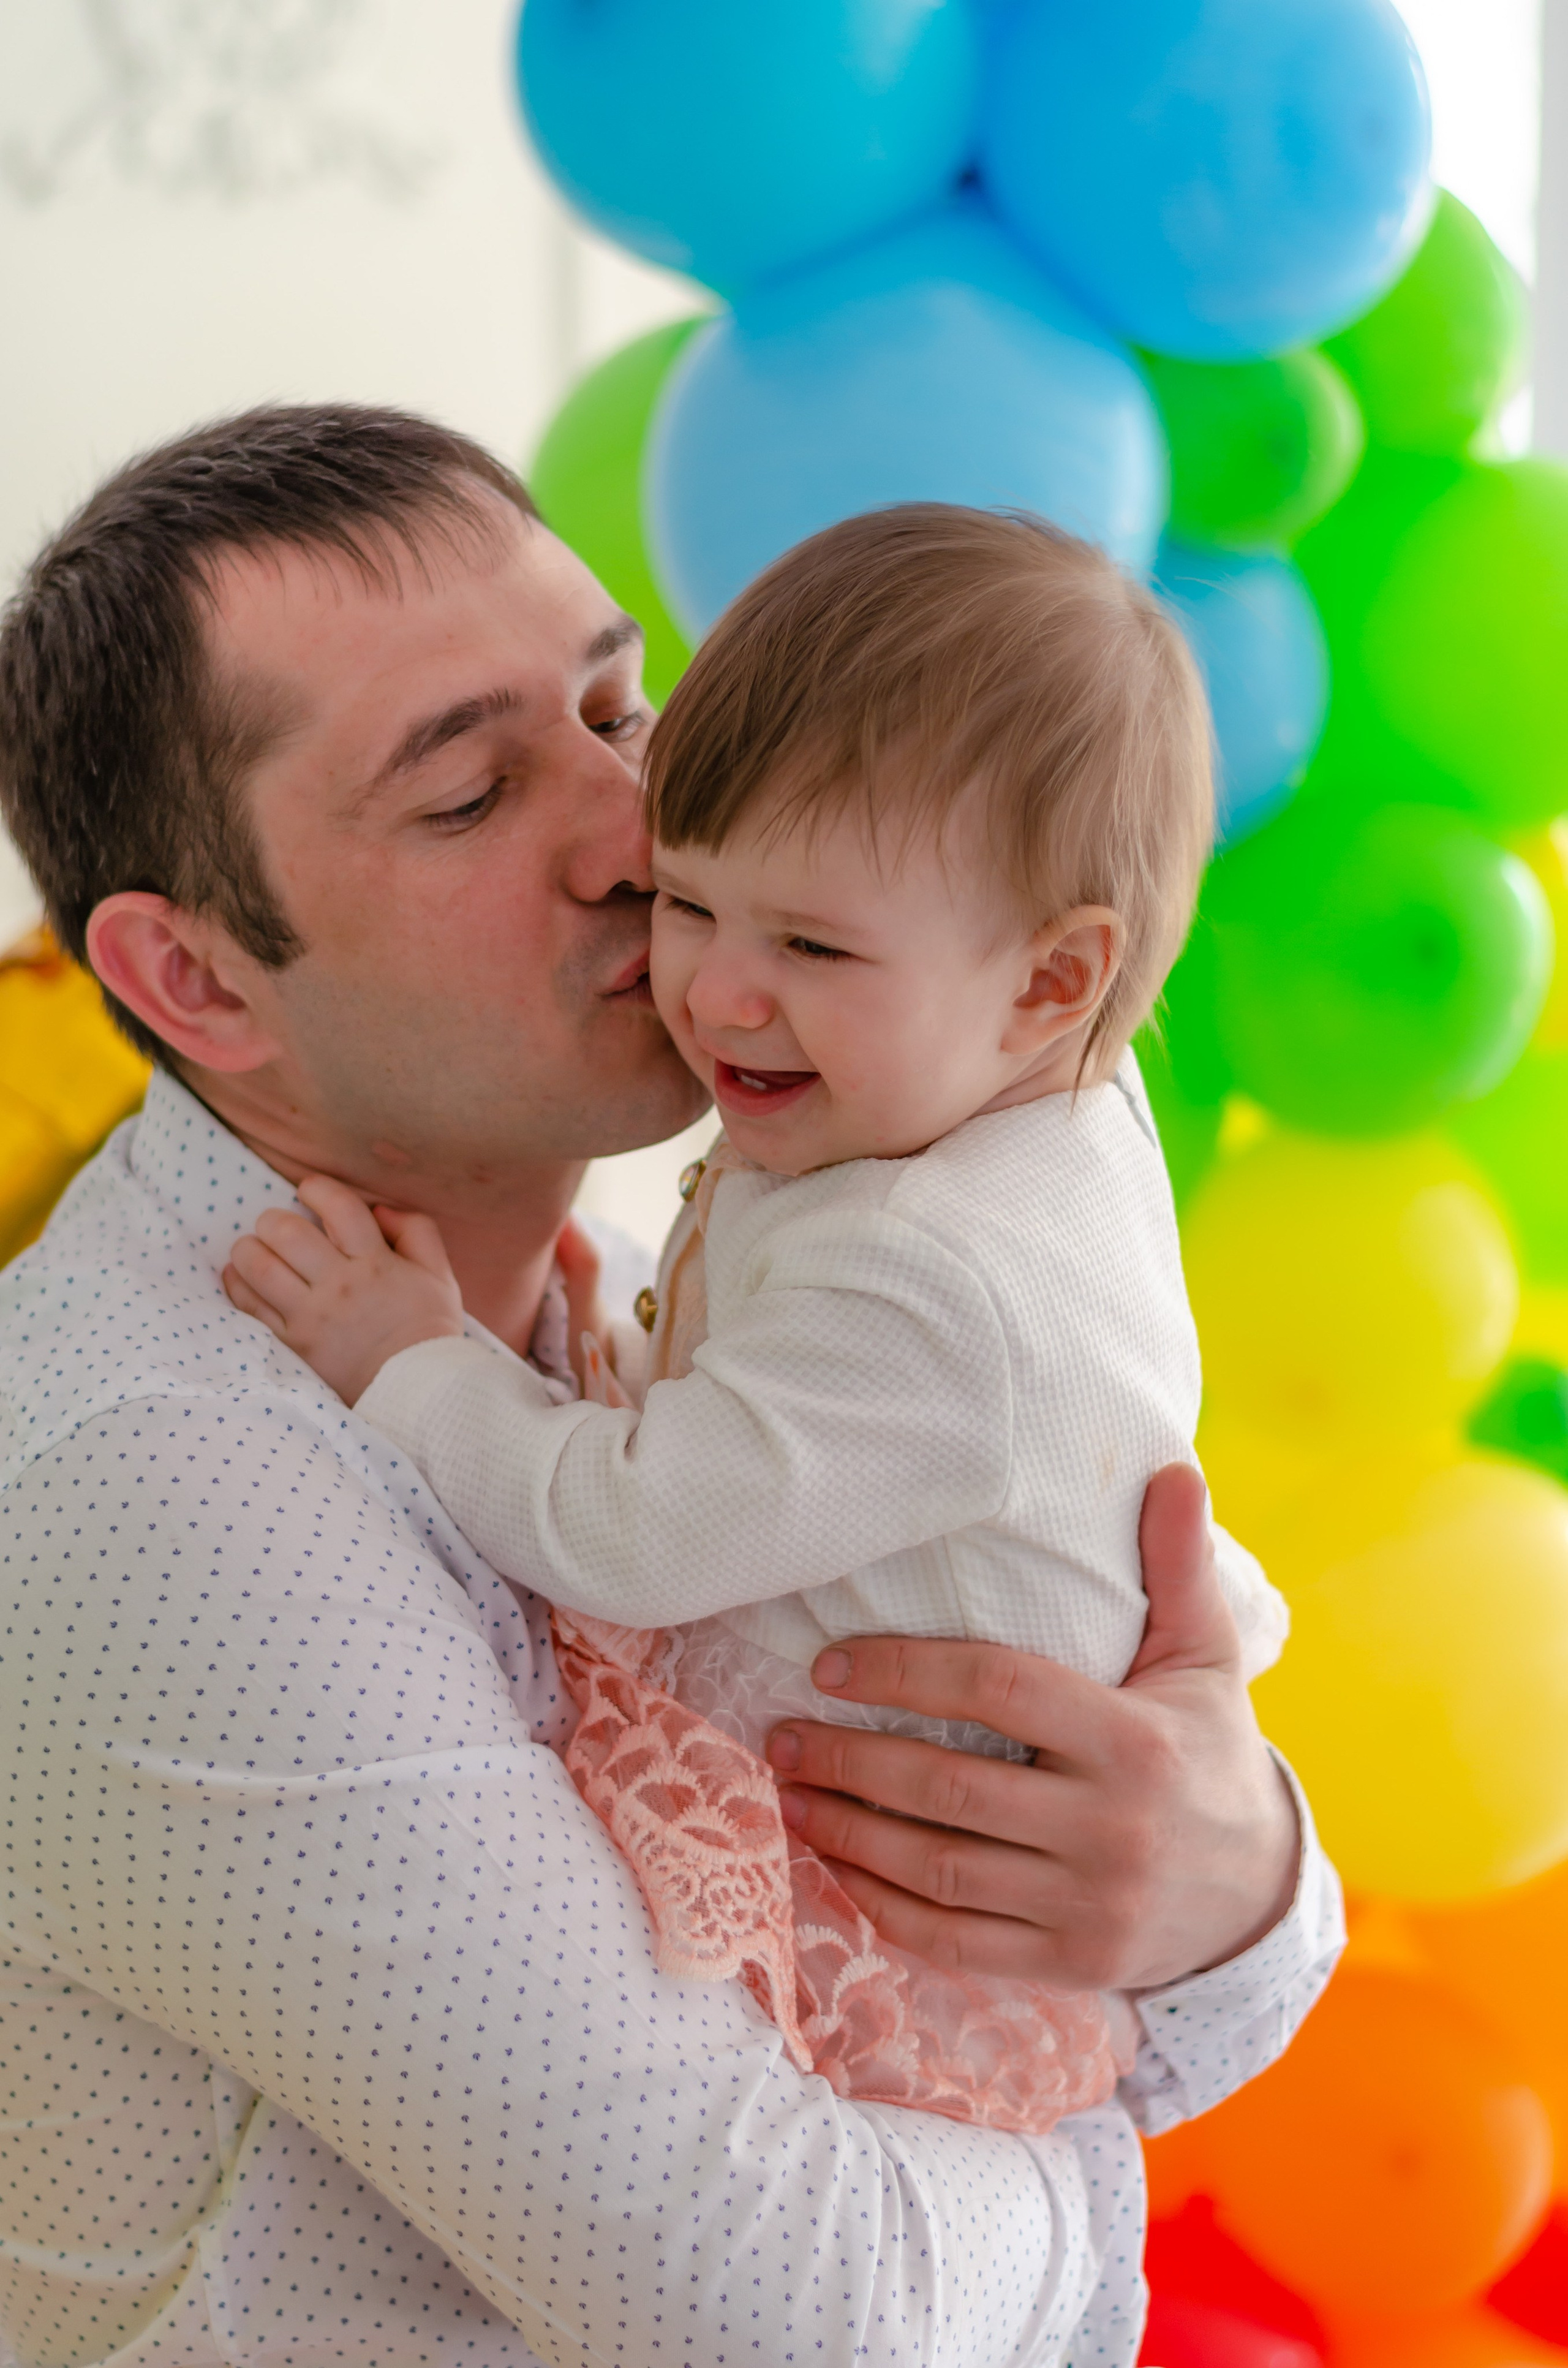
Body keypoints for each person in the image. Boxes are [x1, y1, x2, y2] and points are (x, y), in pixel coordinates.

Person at [0, 406, 1342, 2368]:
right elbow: (790, 2312)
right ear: (196, 983)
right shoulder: (161, 1493)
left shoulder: (648, 1294)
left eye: (618, 706)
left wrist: (1237, 1871)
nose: (644, 830)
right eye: (468, 796)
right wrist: (1084, 2181)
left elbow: (1176, 1815)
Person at [220, 504, 1290, 2133]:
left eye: (811, 941)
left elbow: (631, 1529)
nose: (712, 989)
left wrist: (413, 1360)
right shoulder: (985, 1070)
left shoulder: (938, 1274)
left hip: (903, 1943)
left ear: (1054, 982)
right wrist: (646, 1351)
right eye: (694, 899)